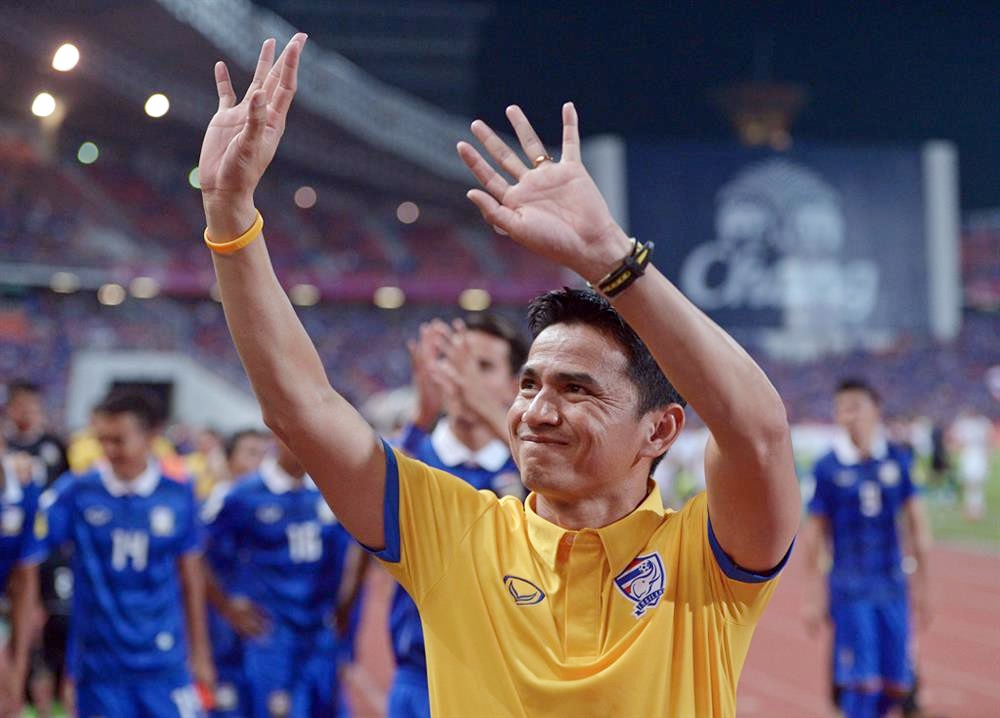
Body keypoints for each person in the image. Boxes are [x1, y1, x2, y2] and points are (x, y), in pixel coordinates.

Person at [198, 35, 798, 715]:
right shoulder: (455, 533)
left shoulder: (707, 558)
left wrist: (612, 259)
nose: (537, 411)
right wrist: (229, 214)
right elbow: (302, 408)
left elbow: (758, 434)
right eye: (530, 384)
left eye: (576, 389)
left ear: (659, 430)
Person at [26, 388, 215, 717]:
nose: (109, 450)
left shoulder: (178, 493)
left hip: (164, 661)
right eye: (103, 440)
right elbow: (29, 546)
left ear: (151, 435)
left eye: (119, 440)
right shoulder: (76, 491)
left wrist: (200, 653)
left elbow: (191, 576)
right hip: (99, 666)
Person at [389, 315, 526, 718]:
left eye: (482, 366)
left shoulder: (531, 469)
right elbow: (372, 493)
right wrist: (421, 415)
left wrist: (487, 410)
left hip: (508, 681)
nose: (464, 377)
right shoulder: (414, 454)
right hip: (422, 678)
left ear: (514, 386)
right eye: (455, 363)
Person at [802, 379, 932, 718]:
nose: (849, 416)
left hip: (892, 586)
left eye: (856, 407)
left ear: (876, 410)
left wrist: (924, 589)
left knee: (898, 684)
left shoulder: (897, 460)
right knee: (862, 683)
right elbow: (813, 534)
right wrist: (813, 595)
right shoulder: (827, 467)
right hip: (850, 589)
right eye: (842, 409)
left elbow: (917, 525)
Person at [202, 439, 360, 718]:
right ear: (279, 437)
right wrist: (227, 606)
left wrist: (345, 607)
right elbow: (200, 555)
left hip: (319, 632)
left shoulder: (331, 491)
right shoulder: (243, 495)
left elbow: (352, 554)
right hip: (271, 633)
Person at [4, 381, 72, 718]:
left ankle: (54, 695)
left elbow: (68, 492)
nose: (28, 412)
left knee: (58, 619)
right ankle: (25, 695)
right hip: (16, 555)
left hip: (47, 551)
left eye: (33, 405)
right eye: (22, 405)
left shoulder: (53, 446)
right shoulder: (9, 453)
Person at [199, 429, 269, 718]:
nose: (260, 462)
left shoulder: (270, 500)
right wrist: (225, 606)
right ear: (228, 461)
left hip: (262, 622)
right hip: (223, 627)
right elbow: (196, 562)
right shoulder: (219, 502)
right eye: (251, 453)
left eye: (264, 454)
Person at [0, 440, 42, 717]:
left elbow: (25, 580)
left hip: (7, 607)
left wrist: (19, 666)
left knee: (9, 698)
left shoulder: (24, 486)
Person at [949, 408, 994, 521]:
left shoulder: (983, 422)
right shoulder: (965, 423)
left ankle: (976, 508)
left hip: (978, 454)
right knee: (970, 483)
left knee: (976, 483)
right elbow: (957, 439)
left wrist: (988, 454)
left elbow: (989, 439)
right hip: (969, 454)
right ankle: (972, 508)